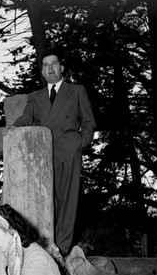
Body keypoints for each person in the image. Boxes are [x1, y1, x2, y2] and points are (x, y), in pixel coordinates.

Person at [13, 49, 96, 255]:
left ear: (62, 68)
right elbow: (27, 117)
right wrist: (14, 127)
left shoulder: (76, 91)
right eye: (46, 65)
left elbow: (88, 122)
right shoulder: (35, 97)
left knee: (68, 202)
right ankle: (44, 247)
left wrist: (81, 143)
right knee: (45, 200)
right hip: (42, 153)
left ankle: (62, 249)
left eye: (54, 64)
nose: (50, 68)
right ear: (42, 72)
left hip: (69, 149)